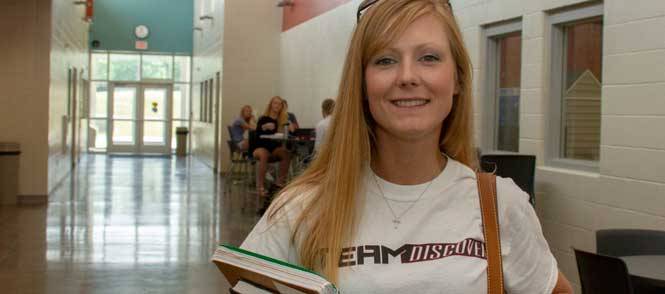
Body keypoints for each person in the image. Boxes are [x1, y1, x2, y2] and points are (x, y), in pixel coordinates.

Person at [241, 1, 573, 293]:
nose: (407, 76)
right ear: (361, 84)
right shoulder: (300, 208)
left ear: (457, 79)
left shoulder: (498, 204)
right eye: (385, 60)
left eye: (429, 57)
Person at [253, 96, 291, 198]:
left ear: (281, 106)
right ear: (271, 105)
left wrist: (290, 127)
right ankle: (260, 187)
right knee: (264, 154)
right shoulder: (263, 118)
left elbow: (290, 132)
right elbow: (257, 135)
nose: (277, 105)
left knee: (285, 153)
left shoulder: (282, 119)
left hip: (274, 147)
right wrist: (264, 127)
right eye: (275, 103)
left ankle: (279, 184)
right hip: (259, 147)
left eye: (279, 104)